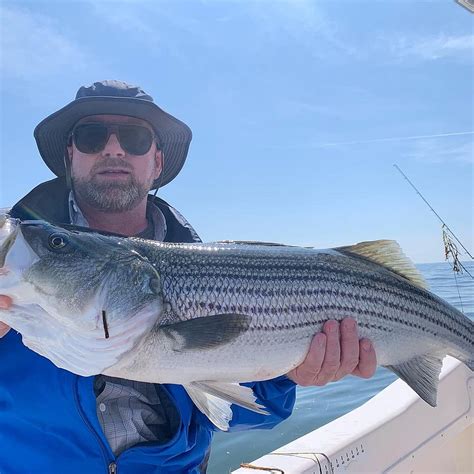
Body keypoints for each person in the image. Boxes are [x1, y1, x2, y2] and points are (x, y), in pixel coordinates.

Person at [0, 80, 376, 474]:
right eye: (92, 137)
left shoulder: (213, 269)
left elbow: (246, 414)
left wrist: (291, 373)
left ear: (157, 162)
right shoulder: (16, 254)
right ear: (70, 155)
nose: (113, 149)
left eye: (134, 138)